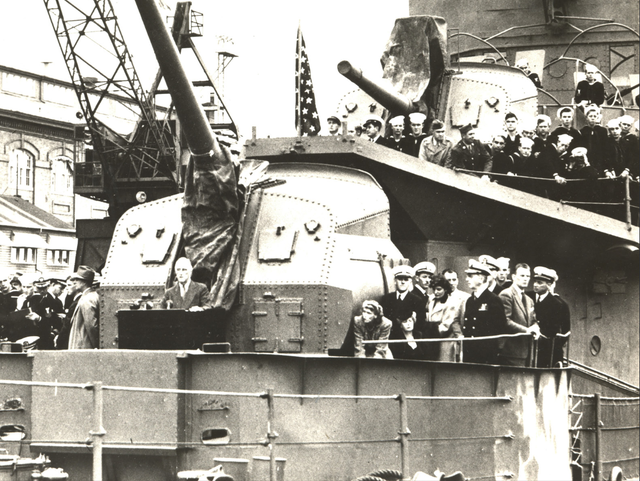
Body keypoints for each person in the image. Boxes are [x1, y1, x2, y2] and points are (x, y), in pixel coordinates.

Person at [461, 260, 507, 364]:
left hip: (486, 354)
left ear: (481, 278)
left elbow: (500, 327)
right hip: (469, 352)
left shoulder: (493, 300)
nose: (467, 279)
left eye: (470, 276)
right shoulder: (470, 300)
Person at [498, 263, 539, 366]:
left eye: (527, 276)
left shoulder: (529, 300)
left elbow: (534, 320)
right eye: (522, 276)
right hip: (511, 352)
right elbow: (505, 321)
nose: (525, 279)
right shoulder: (506, 294)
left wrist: (536, 328)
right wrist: (527, 330)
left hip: (527, 351)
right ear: (513, 277)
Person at [531, 267, 570, 368]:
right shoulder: (530, 299)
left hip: (549, 352)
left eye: (539, 282)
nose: (535, 285)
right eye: (535, 281)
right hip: (533, 350)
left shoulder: (556, 304)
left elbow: (562, 330)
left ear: (549, 285)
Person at [380, 265, 427, 334]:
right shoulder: (386, 299)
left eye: (406, 279)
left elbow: (421, 323)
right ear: (395, 281)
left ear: (410, 282)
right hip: (390, 337)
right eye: (400, 279)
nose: (403, 282)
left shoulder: (417, 300)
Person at [427, 274, 462, 362]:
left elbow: (446, 327)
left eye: (439, 289)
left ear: (446, 289)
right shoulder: (431, 300)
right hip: (432, 339)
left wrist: (429, 328)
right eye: (434, 289)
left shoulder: (451, 303)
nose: (436, 292)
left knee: (443, 365)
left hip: (445, 342)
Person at [68, 266, 100, 349]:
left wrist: (96, 345)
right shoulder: (90, 296)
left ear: (84, 282)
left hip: (82, 346)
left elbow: (91, 325)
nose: (74, 282)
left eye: (77, 279)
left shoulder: (87, 299)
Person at [580, 105, 608, 176]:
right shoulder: (582, 131)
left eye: (595, 116)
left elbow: (605, 147)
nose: (593, 118)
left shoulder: (602, 131)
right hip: (588, 159)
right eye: (590, 116)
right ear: (586, 118)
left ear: (597, 118)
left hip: (599, 159)